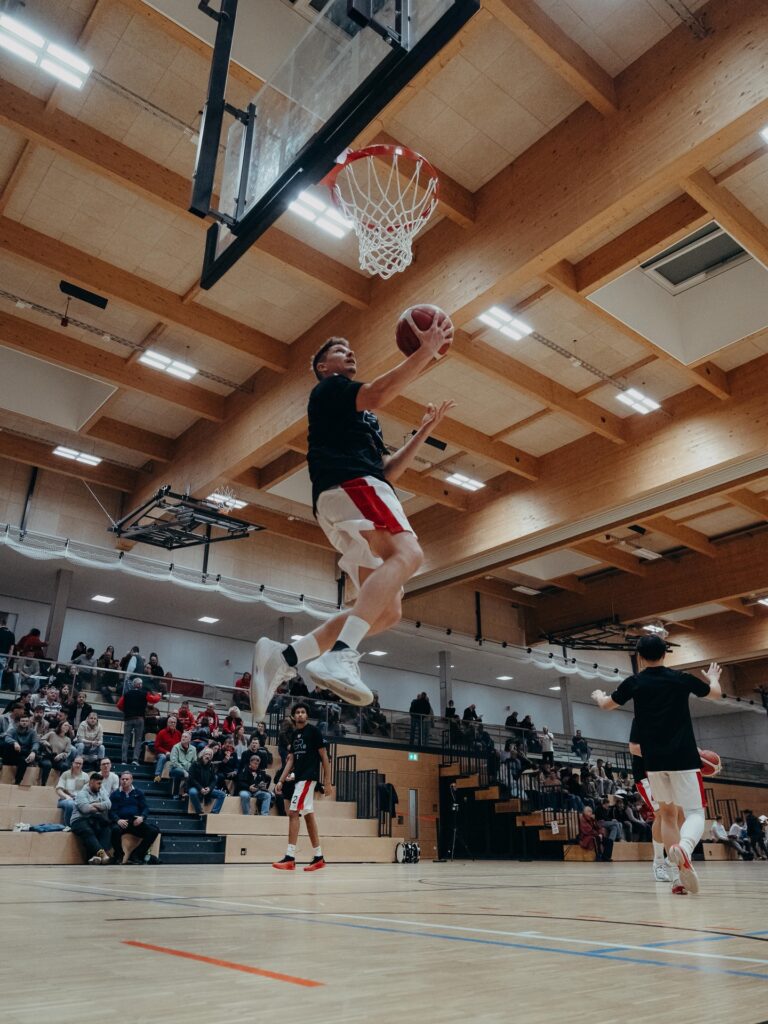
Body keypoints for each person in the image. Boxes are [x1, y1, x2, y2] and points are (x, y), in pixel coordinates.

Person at [249, 324, 455, 719]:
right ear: (323, 367)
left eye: (349, 348)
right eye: (339, 350)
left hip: (349, 495)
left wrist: (424, 431)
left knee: (388, 610)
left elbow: (387, 470)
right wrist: (425, 350)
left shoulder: (365, 420)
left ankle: (286, 655)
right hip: (351, 487)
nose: (349, 353)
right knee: (409, 552)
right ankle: (341, 654)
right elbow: (377, 392)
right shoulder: (330, 390)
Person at [592, 634, 722, 895]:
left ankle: (678, 877)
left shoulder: (635, 683)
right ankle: (684, 849)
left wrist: (598, 695)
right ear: (666, 653)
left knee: (669, 816)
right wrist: (714, 679)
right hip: (683, 758)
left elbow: (607, 705)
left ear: (639, 657)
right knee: (695, 813)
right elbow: (716, 695)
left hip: (654, 763)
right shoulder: (680, 679)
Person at [272, 702, 333, 871]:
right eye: (297, 712)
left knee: (293, 812)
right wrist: (281, 780)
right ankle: (319, 857)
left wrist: (327, 782)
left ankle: (290, 857)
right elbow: (290, 760)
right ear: (293, 716)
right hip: (298, 779)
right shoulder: (294, 734)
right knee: (308, 815)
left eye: (303, 712)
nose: (300, 714)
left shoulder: (313, 732)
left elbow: (324, 757)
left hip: (308, 778)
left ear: (307, 715)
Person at [109, 771, 160, 865]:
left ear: (131, 780)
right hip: (122, 822)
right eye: (122, 779)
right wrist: (117, 820)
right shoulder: (115, 794)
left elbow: (145, 808)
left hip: (135, 822)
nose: (124, 781)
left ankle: (136, 855)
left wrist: (142, 817)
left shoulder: (138, 793)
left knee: (153, 831)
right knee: (114, 830)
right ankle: (119, 855)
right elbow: (111, 811)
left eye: (126, 779)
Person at [70, 772, 112, 864]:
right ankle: (103, 855)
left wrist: (94, 804)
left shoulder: (101, 792)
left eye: (101, 783)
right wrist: (101, 807)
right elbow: (86, 809)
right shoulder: (81, 794)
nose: (100, 786)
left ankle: (96, 857)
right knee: (88, 831)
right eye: (98, 783)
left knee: (107, 828)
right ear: (91, 782)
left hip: (93, 819)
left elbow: (109, 804)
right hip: (78, 820)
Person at [1, 713, 40, 784]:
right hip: (13, 753)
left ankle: (17, 781)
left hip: (24, 754)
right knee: (6, 745)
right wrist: (14, 742)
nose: (24, 723)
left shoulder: (32, 732)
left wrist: (33, 751)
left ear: (29, 722)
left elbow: (36, 743)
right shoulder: (13, 730)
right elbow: (7, 738)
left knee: (24, 760)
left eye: (26, 721)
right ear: (19, 722)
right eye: (22, 721)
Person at [187, 747, 227, 816]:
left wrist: (209, 788)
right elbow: (191, 779)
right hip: (195, 787)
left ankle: (214, 812)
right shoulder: (195, 764)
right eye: (206, 754)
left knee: (222, 794)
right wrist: (200, 788)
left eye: (209, 755)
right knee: (193, 792)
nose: (207, 756)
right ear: (202, 755)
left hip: (206, 788)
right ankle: (199, 811)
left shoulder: (211, 766)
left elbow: (214, 780)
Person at [55, 755, 89, 825]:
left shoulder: (85, 776)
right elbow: (58, 789)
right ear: (72, 763)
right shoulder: (65, 774)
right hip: (64, 800)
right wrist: (66, 796)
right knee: (70, 804)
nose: (78, 765)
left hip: (79, 800)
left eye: (80, 764)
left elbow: (87, 791)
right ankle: (68, 826)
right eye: (76, 763)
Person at [120, 678, 148, 765]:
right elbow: (154, 699)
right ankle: (135, 760)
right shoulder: (144, 694)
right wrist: (159, 695)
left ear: (133, 684)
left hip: (128, 718)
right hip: (139, 719)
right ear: (140, 685)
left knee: (126, 739)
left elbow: (119, 705)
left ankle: (124, 760)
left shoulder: (127, 694)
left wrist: (126, 710)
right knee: (138, 740)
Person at [39, 719, 74, 783]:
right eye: (65, 725)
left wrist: (61, 755)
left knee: (65, 766)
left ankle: (61, 784)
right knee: (48, 765)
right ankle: (43, 784)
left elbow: (67, 752)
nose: (67, 727)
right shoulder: (52, 734)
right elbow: (41, 740)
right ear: (60, 726)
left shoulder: (68, 739)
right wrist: (46, 742)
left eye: (68, 726)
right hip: (47, 756)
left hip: (57, 759)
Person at [152, 714, 181, 783]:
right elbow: (156, 746)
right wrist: (165, 752)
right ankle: (157, 776)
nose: (173, 724)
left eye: (174, 722)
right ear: (168, 723)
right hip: (162, 754)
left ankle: (173, 781)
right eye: (171, 722)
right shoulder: (162, 733)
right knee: (163, 757)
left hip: (174, 755)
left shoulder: (179, 733)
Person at [169, 731, 197, 798]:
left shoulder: (193, 749)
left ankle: (187, 793)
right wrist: (183, 771)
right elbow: (174, 762)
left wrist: (191, 770)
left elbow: (194, 762)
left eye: (185, 737)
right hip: (175, 769)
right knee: (179, 772)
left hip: (188, 770)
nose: (183, 738)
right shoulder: (176, 747)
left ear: (189, 740)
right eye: (182, 736)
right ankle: (176, 793)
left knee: (195, 772)